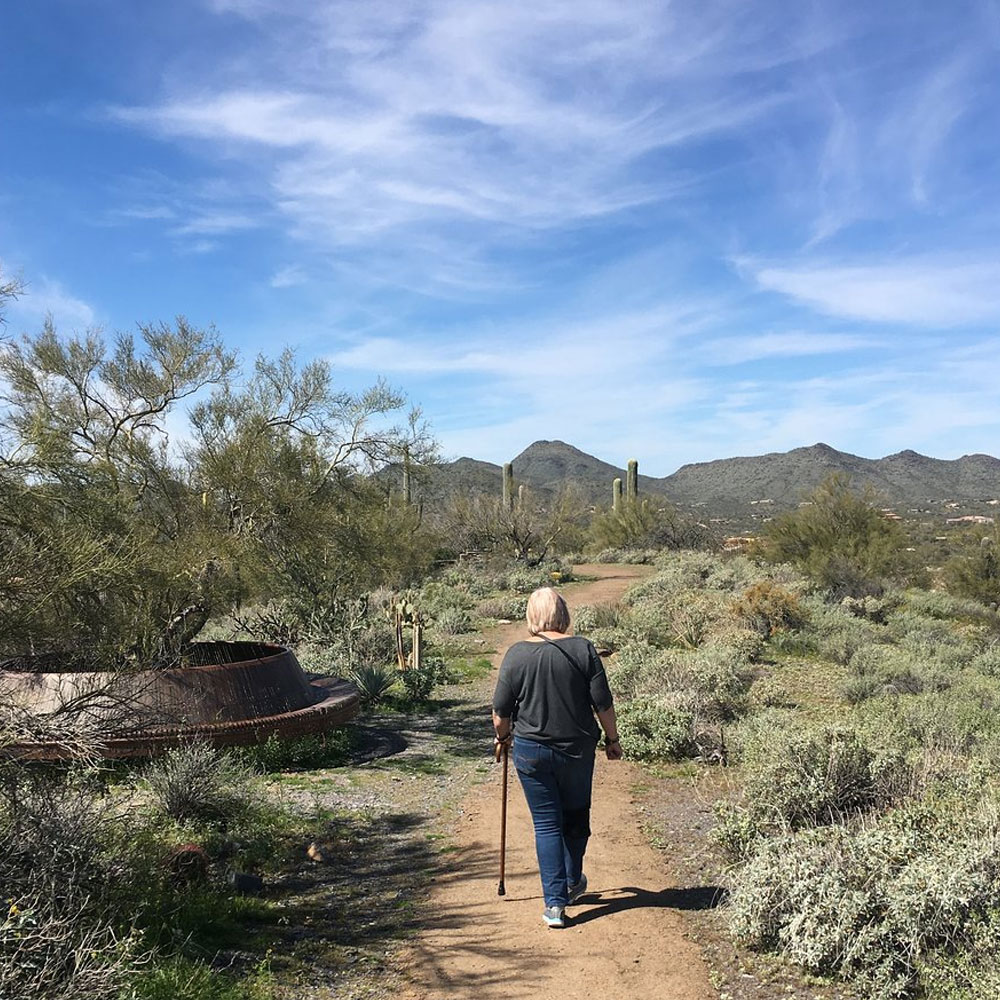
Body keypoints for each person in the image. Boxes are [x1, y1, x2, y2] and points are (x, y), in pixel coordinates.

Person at [492, 586, 622, 928]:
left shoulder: (516, 655)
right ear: (562, 614)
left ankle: (554, 905)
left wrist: (503, 738)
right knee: (576, 816)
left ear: (532, 617)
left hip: (532, 753)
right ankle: (571, 879)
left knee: (547, 824)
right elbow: (603, 704)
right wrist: (612, 739)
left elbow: (500, 712)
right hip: (577, 751)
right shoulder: (583, 649)